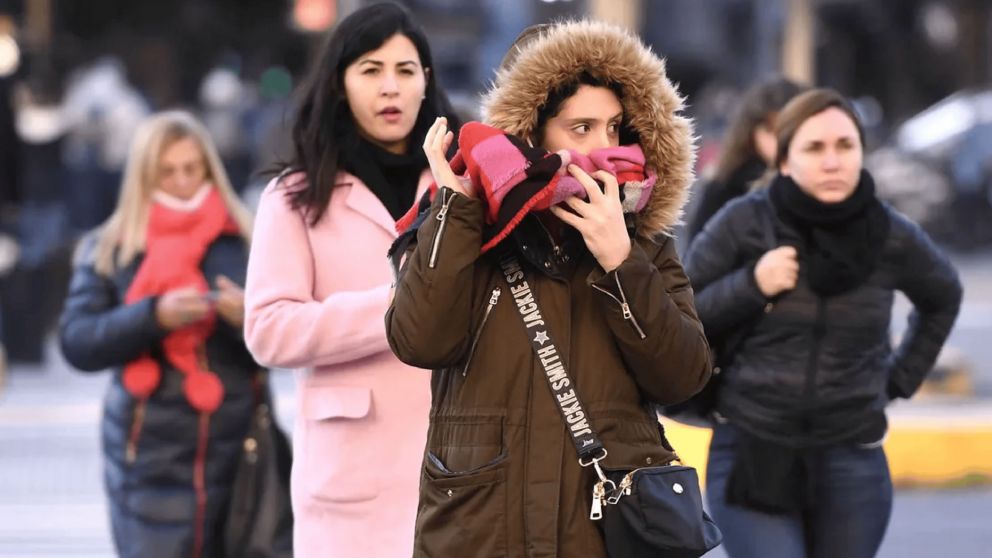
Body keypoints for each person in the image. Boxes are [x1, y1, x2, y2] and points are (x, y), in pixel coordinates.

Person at [386, 20, 712, 557]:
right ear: (530, 134)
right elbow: (419, 340)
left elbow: (684, 376)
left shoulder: (644, 243)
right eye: (581, 128)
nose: (604, 149)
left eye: (616, 129)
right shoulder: (467, 226)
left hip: (601, 534)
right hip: (484, 531)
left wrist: (621, 263)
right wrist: (458, 211)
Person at [684, 88, 962, 558]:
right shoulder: (745, 220)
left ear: (861, 153)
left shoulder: (889, 233)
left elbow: (943, 295)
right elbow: (682, 311)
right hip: (753, 446)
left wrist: (897, 380)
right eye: (815, 148)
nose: (832, 161)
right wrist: (752, 283)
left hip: (851, 454)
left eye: (845, 146)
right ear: (786, 160)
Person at [242, 3, 460, 557]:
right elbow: (268, 330)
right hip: (350, 482)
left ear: (426, 82)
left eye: (405, 71)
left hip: (462, 467)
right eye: (370, 70)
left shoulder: (461, 186)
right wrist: (395, 308)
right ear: (340, 83)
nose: (391, 87)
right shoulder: (293, 197)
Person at [58, 111, 283, 558]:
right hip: (147, 456)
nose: (181, 181)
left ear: (209, 169)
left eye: (191, 169)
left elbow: (287, 342)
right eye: (167, 171)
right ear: (144, 175)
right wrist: (151, 316)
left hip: (240, 448)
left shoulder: (247, 238)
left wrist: (247, 318)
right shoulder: (111, 247)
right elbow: (78, 341)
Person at [686, 76, 806, 240]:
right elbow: (698, 255)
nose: (780, 141)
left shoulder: (822, 182)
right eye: (771, 131)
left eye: (790, 130)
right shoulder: (725, 187)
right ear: (751, 133)